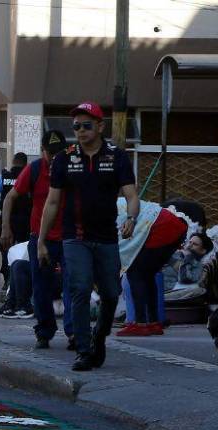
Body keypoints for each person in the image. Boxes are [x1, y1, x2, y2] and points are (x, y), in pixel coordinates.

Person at [38, 102, 139, 371]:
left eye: (86, 125)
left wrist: (131, 218)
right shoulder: (64, 158)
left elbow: (131, 195)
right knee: (79, 289)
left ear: (100, 126)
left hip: (107, 237)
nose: (80, 131)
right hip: (75, 237)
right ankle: (83, 349)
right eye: (76, 127)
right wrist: (41, 241)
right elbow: (52, 202)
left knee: (109, 293)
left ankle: (99, 337)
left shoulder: (116, 157)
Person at [1, 129, 73, 349]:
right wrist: (6, 228)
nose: (53, 158)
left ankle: (74, 333)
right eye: (49, 153)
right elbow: (10, 198)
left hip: (70, 238)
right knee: (40, 288)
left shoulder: (73, 168)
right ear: (42, 151)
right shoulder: (33, 170)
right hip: (40, 239)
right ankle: (44, 331)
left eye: (58, 153)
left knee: (73, 286)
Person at [118, 204, 187, 336]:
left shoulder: (104, 210)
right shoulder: (115, 202)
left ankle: (141, 324)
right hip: (173, 227)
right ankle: (153, 322)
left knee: (135, 272)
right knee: (147, 274)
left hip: (162, 227)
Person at [0, 152, 30, 285]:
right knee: (24, 252)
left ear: (13, 162)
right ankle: (20, 282)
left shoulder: (3, 176)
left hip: (7, 220)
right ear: (25, 164)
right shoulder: (30, 176)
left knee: (6, 248)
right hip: (26, 220)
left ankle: (7, 280)